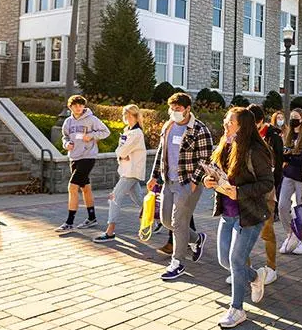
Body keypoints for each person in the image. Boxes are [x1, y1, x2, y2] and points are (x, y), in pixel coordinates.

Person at [203, 107, 275, 328]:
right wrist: (210, 181)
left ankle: (236, 309)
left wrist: (240, 192)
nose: (225, 124)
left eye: (229, 122)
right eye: (225, 120)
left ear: (242, 125)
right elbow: (218, 174)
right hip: (228, 213)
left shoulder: (255, 150)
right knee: (226, 261)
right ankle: (255, 277)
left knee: (235, 261)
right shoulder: (225, 145)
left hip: (250, 215)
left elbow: (267, 183)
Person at [147, 92, 215, 281]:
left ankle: (178, 262)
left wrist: (195, 180)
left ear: (187, 109)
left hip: (187, 183)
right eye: (172, 109)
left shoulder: (199, 129)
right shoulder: (168, 126)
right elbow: (162, 152)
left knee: (178, 222)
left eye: (178, 109)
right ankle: (196, 239)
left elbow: (206, 159)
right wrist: (154, 176)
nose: (174, 112)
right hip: (168, 181)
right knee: (166, 220)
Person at [94, 105, 149, 242]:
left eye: (130, 115)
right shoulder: (126, 130)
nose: (127, 117)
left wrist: (121, 153)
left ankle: (110, 231)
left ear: (136, 117)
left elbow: (122, 151)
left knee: (114, 197)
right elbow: (120, 150)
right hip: (125, 170)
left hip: (131, 171)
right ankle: (157, 218)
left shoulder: (137, 133)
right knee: (139, 200)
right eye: (125, 115)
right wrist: (121, 154)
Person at [56, 95, 111, 231]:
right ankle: (92, 218)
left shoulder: (92, 119)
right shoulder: (68, 122)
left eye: (81, 105)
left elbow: (106, 132)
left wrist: (91, 136)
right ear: (70, 107)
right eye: (75, 105)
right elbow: (65, 137)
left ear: (84, 106)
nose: (78, 107)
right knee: (85, 188)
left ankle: (69, 222)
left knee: (72, 187)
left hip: (88, 156)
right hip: (74, 157)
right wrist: (66, 144)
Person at [248, 104, 281, 284]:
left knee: (267, 232)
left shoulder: (272, 137)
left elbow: (277, 165)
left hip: (266, 193)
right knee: (243, 234)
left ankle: (271, 267)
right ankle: (244, 268)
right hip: (246, 194)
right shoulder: (241, 138)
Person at [279, 107, 302, 255]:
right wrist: (286, 156)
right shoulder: (289, 134)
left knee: (300, 209)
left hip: (301, 177)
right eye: (291, 116)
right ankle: (290, 234)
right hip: (288, 175)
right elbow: (284, 152)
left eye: (296, 116)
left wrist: (290, 157)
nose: (293, 119)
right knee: (282, 206)